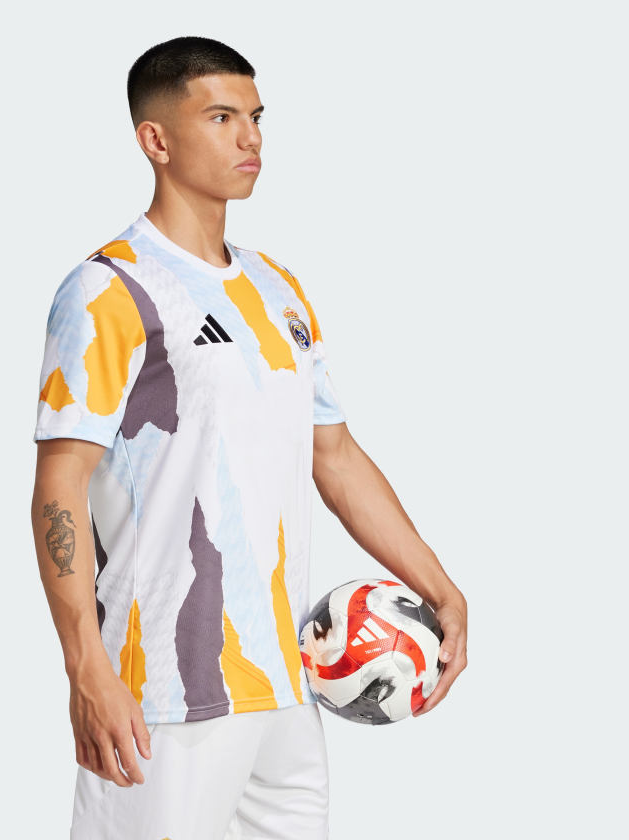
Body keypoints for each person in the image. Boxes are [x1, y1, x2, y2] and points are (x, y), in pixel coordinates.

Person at [30, 35, 468, 840]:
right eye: (221, 117)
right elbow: (59, 484)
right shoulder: (109, 289)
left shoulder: (277, 288)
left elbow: (334, 455)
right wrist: (85, 666)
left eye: (257, 117)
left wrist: (438, 585)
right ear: (156, 141)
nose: (250, 137)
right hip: (162, 692)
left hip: (287, 689)